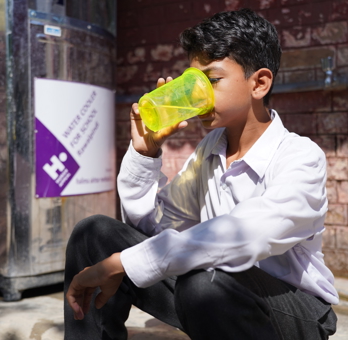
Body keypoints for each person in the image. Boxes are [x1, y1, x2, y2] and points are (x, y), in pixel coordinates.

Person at [64, 8, 338, 340]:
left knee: (201, 284)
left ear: (260, 83)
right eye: (193, 81)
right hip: (214, 287)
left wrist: (122, 263)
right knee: (94, 234)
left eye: (211, 80)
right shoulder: (210, 150)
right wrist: (145, 153)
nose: (198, 95)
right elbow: (157, 228)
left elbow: (245, 236)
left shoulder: (300, 156)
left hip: (293, 309)